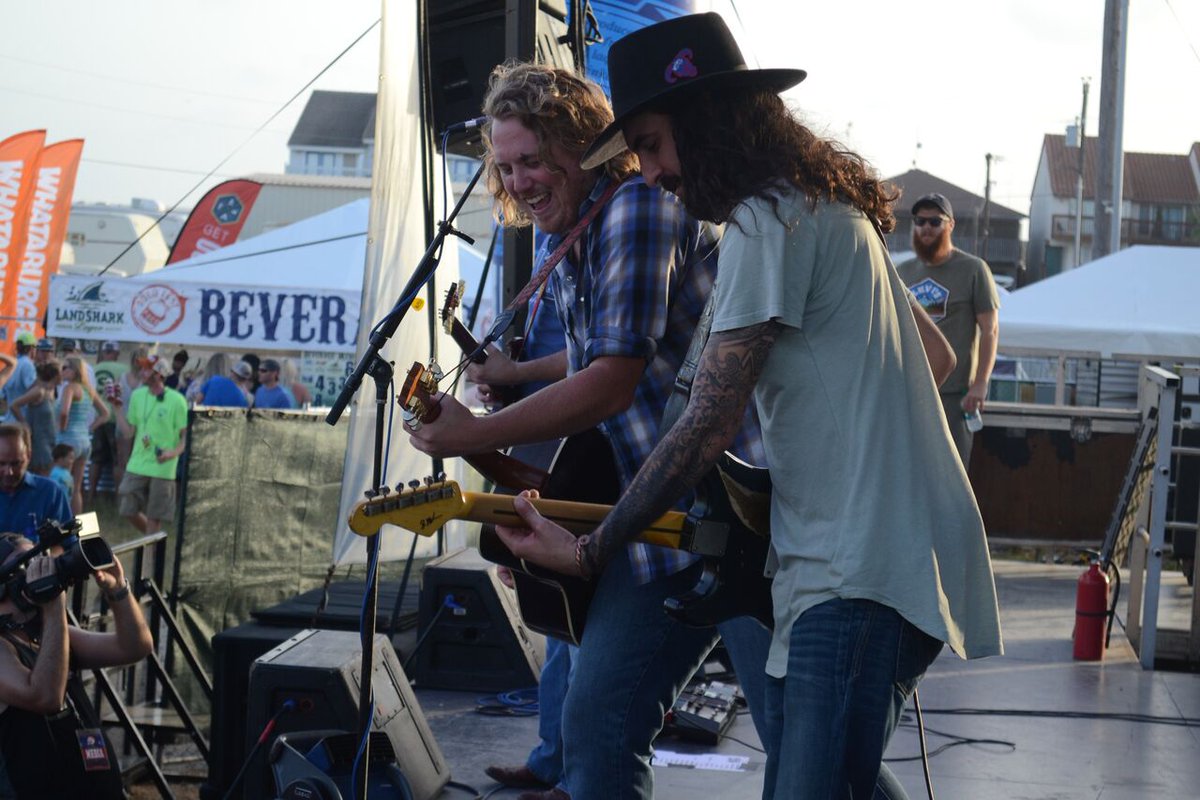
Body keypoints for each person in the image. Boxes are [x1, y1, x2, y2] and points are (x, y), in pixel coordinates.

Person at [491, 13, 1004, 800]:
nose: (652, 171)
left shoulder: (771, 218)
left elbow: (706, 423)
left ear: (708, 126)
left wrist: (591, 552)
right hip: (841, 559)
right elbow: (934, 358)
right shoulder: (808, 212)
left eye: (657, 145)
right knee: (833, 779)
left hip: (859, 567)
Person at [409, 61, 771, 800]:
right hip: (665, 512)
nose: (517, 182)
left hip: (747, 516)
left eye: (533, 161)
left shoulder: (637, 206)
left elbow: (614, 379)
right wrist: (510, 380)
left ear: (585, 147)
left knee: (811, 756)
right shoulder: (579, 233)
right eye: (505, 167)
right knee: (597, 719)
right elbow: (598, 352)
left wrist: (477, 434)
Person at [0, 533, 153, 799]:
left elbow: (133, 647)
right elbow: (45, 697)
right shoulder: (7, 644)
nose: (40, 570)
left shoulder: (46, 632)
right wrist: (54, 605)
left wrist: (118, 590)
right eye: (28, 566)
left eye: (42, 561)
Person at [897, 192, 1001, 467]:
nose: (926, 228)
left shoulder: (974, 269)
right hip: (911, 396)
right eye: (919, 221)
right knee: (908, 476)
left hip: (956, 400)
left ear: (950, 225)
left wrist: (980, 384)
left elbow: (990, 331)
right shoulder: (902, 271)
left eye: (935, 221)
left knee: (951, 478)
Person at [112, 356, 187, 536]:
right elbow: (129, 432)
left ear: (159, 374)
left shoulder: (177, 400)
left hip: (163, 467)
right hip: (138, 463)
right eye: (142, 368)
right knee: (127, 509)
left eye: (147, 369)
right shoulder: (138, 396)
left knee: (155, 517)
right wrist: (117, 409)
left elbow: (185, 437)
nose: (141, 372)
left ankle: (151, 555)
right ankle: (153, 540)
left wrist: (172, 453)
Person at [56, 357, 109, 515]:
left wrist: (62, 427)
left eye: (65, 367)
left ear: (74, 370)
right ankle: (77, 525)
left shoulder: (69, 388)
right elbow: (105, 413)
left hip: (67, 440)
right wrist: (90, 428)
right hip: (84, 441)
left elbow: (64, 411)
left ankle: (60, 522)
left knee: (61, 483)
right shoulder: (88, 390)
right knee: (77, 487)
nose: (62, 370)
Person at [0, 424, 71, 540]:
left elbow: (66, 544)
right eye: (1, 464)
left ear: (28, 455)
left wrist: (40, 556)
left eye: (16, 463)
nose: (9, 472)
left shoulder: (50, 493)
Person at [88, 341, 128, 504]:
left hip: (98, 418)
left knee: (96, 459)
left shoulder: (93, 370)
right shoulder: (125, 370)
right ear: (117, 354)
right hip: (116, 418)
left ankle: (90, 495)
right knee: (118, 460)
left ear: (103, 352)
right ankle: (118, 497)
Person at [9, 361, 61, 477]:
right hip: (39, 441)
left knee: (48, 475)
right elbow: (14, 405)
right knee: (41, 475)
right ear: (57, 375)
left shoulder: (52, 391)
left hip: (50, 439)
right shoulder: (39, 391)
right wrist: (25, 424)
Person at [0, 333, 37, 424]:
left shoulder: (10, 365)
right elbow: (34, 392)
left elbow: (2, 395)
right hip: (22, 419)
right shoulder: (28, 365)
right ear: (32, 349)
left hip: (8, 419)